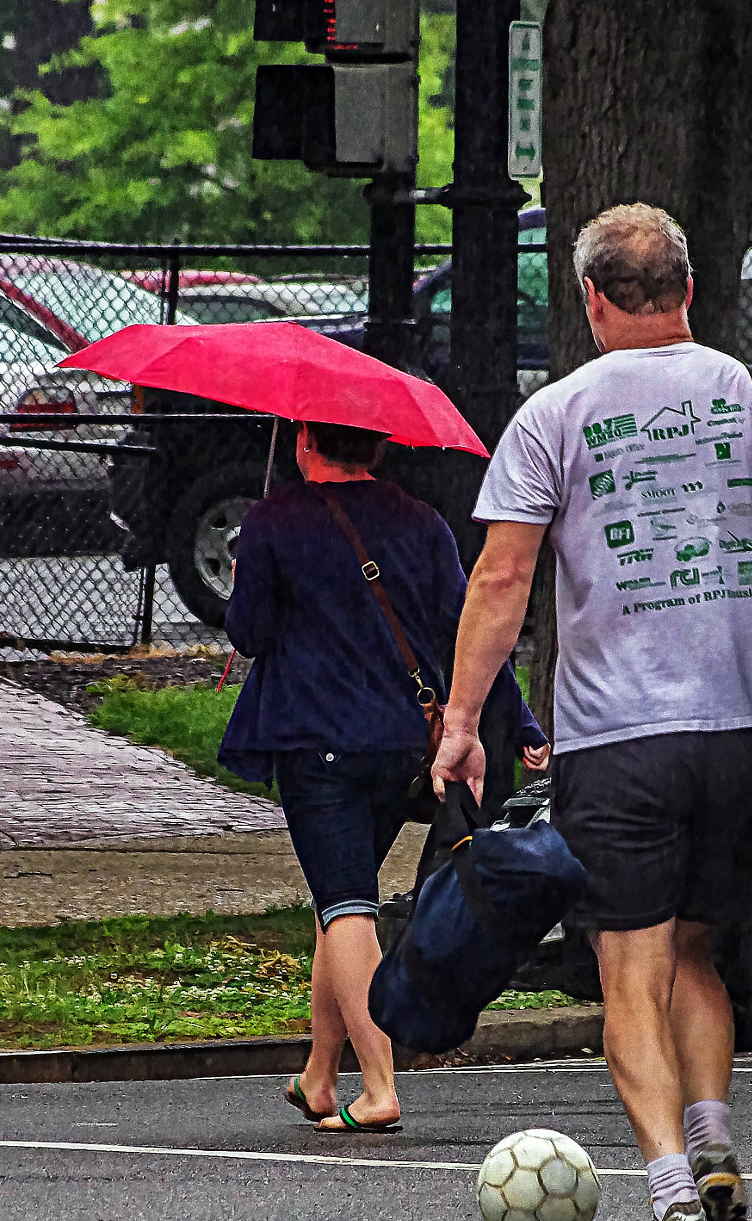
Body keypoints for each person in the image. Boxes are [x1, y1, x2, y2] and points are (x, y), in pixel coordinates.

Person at [431, 204, 752, 1221]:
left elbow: (499, 580)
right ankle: (714, 1147)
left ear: (587, 298)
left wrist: (458, 723)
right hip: (739, 729)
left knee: (630, 965)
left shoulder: (552, 416)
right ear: (686, 288)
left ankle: (673, 1200)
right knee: (698, 950)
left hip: (615, 738)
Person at [219, 420, 548, 1134]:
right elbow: (469, 626)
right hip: (403, 746)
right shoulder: (422, 522)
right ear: (377, 444)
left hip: (315, 744)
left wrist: (249, 573)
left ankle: (378, 1086)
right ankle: (317, 1074)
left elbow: (248, 632)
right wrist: (521, 720)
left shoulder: (272, 521)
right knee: (340, 903)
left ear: (305, 441)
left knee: (345, 906)